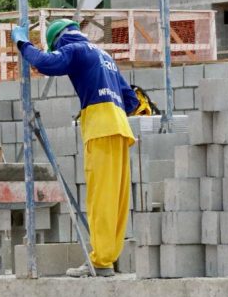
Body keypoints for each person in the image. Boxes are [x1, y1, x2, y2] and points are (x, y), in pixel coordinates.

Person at [11, 19, 139, 277]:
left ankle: (100, 261)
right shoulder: (104, 55)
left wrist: (22, 43)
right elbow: (132, 101)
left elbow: (48, 62)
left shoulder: (74, 48)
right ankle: (108, 257)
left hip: (101, 128)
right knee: (116, 198)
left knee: (100, 197)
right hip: (121, 128)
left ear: (59, 39)